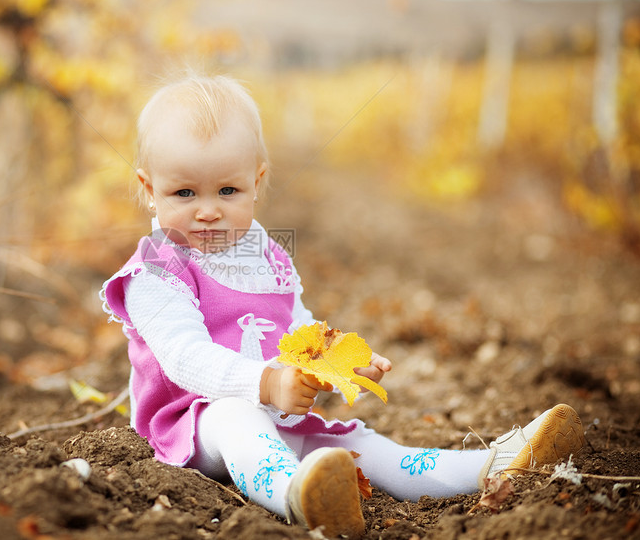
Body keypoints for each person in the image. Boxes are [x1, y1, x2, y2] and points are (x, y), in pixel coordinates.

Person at [100, 72, 586, 539]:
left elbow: (295, 324)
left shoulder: (260, 251)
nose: (208, 209)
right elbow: (185, 358)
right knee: (234, 415)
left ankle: (489, 464)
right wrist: (267, 383)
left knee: (359, 446)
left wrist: (338, 363)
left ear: (257, 181)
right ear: (149, 189)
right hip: (193, 427)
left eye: (228, 190)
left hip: (276, 412)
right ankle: (298, 494)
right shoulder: (155, 272)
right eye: (184, 193)